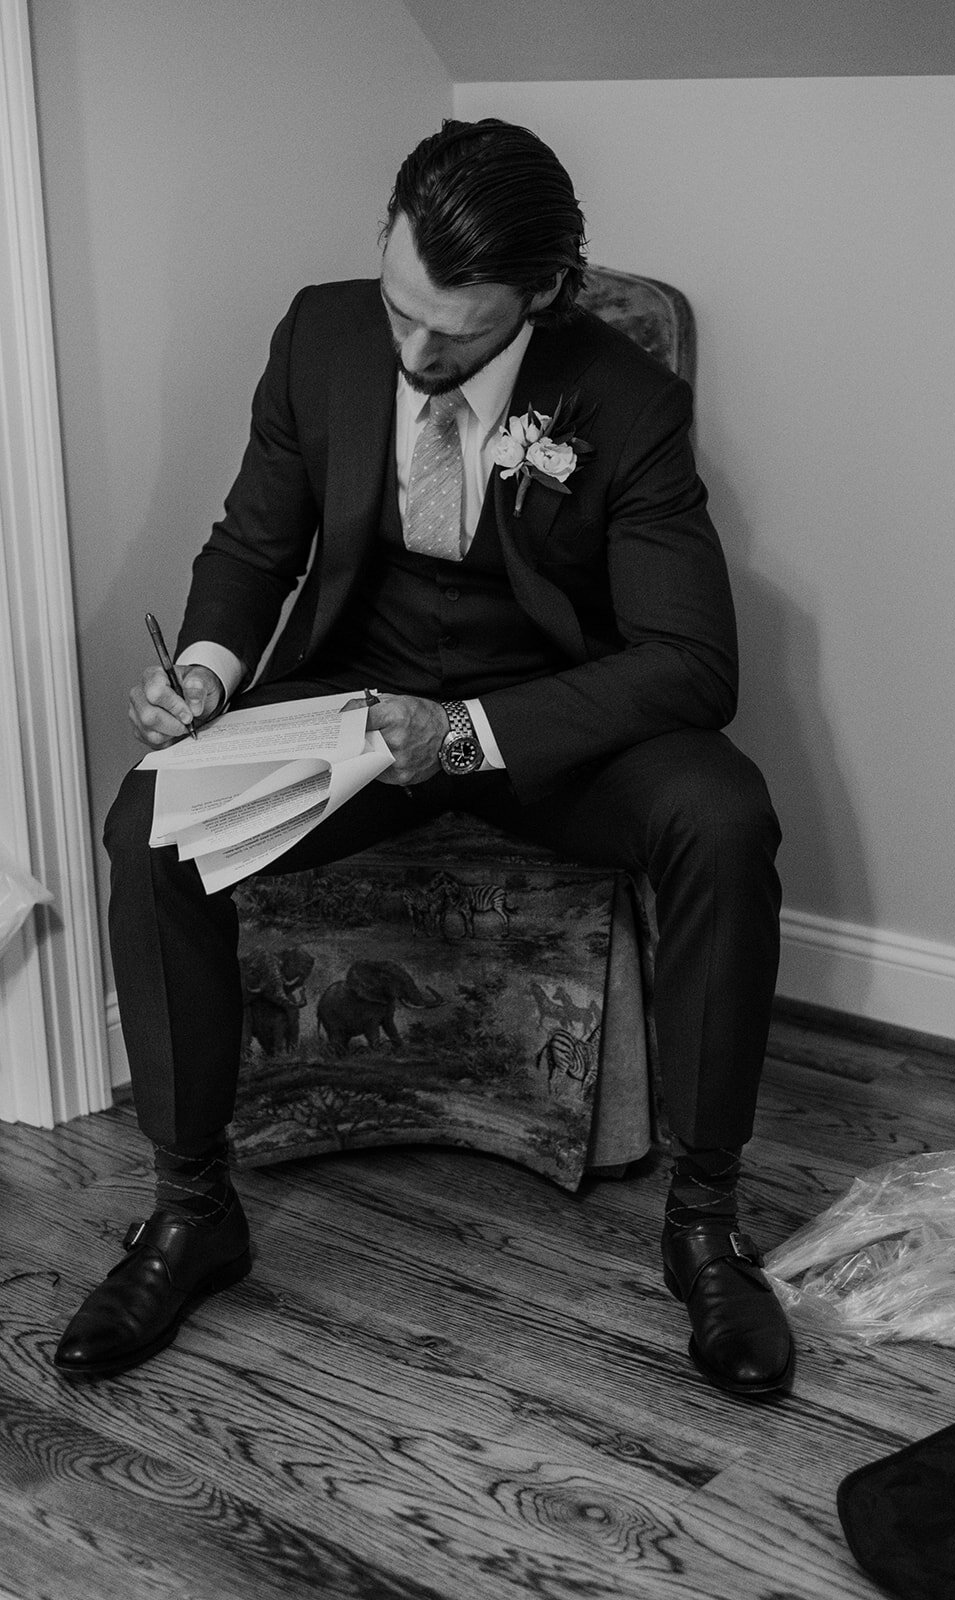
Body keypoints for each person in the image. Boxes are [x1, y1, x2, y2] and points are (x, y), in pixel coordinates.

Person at [55, 118, 794, 1397]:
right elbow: (252, 546)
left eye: (453, 330)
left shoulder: (625, 402)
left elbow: (690, 664)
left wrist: (461, 736)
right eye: (400, 306)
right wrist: (204, 673)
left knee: (723, 816)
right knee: (147, 821)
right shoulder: (318, 334)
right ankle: (190, 1208)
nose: (412, 351)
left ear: (545, 294)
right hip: (348, 707)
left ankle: (707, 1226)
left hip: (544, 727)